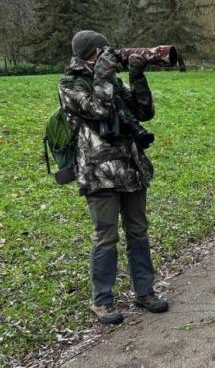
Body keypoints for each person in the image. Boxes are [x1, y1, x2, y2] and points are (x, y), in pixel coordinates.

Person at [58, 30, 169, 325]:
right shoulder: (70, 85)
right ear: (90, 54)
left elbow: (144, 112)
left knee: (138, 232)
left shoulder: (111, 80)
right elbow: (99, 108)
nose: (109, 56)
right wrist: (105, 74)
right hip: (99, 174)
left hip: (131, 169)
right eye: (103, 52)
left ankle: (145, 292)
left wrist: (136, 74)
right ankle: (102, 301)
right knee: (106, 237)